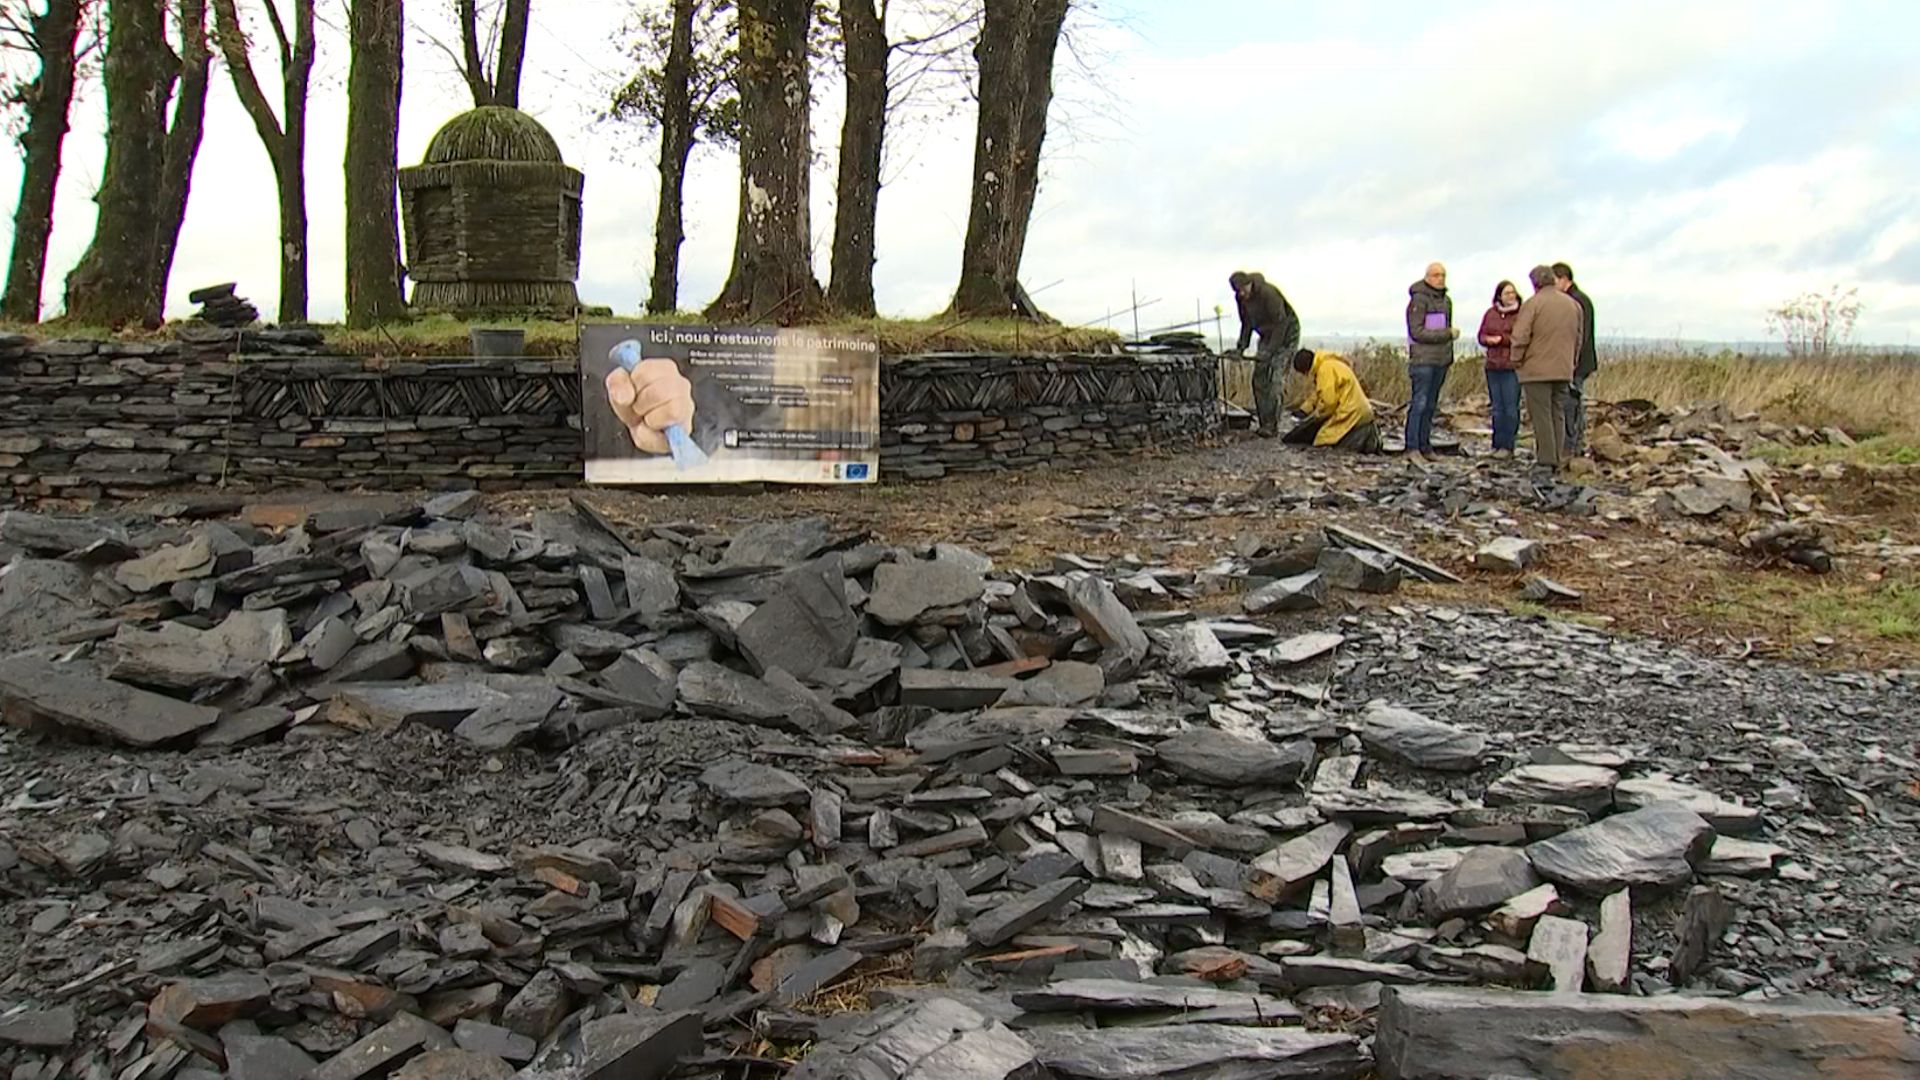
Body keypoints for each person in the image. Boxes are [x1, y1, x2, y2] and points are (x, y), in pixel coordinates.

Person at [1511, 264, 1584, 473]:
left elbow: (1520, 335)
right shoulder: (1573, 305)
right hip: (1563, 368)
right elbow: (1578, 339)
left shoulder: (1533, 304)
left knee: (1541, 414)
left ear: (1535, 283)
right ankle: (1556, 458)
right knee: (1557, 413)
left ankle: (1546, 460)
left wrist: (1516, 360)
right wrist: (1571, 362)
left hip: (1536, 369)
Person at [1228, 270, 1301, 437]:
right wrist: (1241, 348)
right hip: (1266, 335)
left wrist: (1270, 351)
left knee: (1275, 379)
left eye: (1243, 289)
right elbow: (1246, 325)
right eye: (1237, 291)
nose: (1241, 294)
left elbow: (1280, 324)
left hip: (1286, 334)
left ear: (1249, 284)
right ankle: (1264, 422)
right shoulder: (1241, 299)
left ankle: (1272, 425)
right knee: (1259, 378)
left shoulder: (1268, 293)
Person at [1404, 262, 1458, 460]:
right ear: (1427, 277)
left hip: (1441, 360)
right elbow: (1417, 331)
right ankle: (1412, 447)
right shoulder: (1418, 300)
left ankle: (1425, 446)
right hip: (1423, 360)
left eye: (1443, 275)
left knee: (1431, 405)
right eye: (1436, 275)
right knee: (1419, 402)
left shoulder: (1447, 301)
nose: (1440, 278)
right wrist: (1447, 334)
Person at [1284, 348, 1382, 452]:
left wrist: (1315, 417)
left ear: (1305, 369)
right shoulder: (1328, 364)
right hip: (1361, 411)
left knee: (1323, 440)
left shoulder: (1324, 370)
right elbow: (1318, 394)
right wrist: (1304, 409)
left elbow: (1329, 403)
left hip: (1351, 413)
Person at [1552, 262, 1598, 456]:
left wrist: (1571, 362)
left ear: (1564, 279)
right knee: (1571, 403)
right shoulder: (1573, 300)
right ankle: (1571, 443)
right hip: (1572, 361)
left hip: (1577, 363)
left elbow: (1581, 335)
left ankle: (1572, 444)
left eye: (1554, 281)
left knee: (1572, 404)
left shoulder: (1578, 301)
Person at [1477, 280, 1523, 456]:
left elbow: (1522, 337)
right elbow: (1481, 335)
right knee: (1497, 407)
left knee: (1511, 407)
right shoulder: (1491, 313)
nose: (1510, 296)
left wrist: (1501, 340)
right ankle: (1496, 444)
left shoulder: (1522, 314)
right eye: (1507, 293)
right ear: (1499, 296)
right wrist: (1487, 340)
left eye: (1513, 292)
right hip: (1493, 365)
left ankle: (1508, 445)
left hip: (1512, 365)